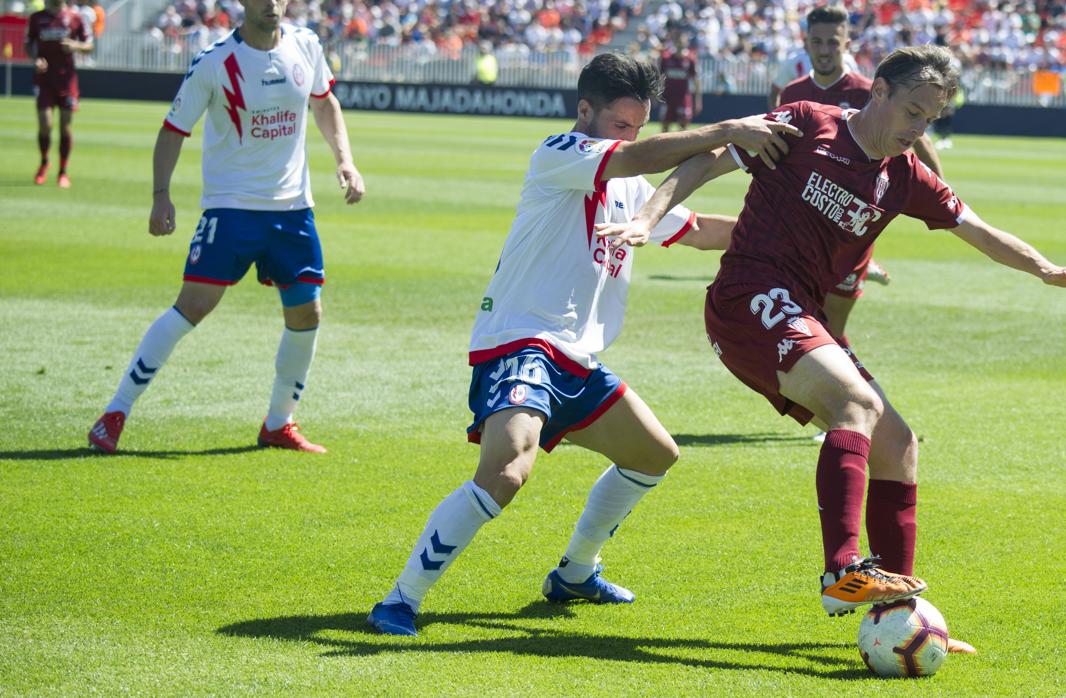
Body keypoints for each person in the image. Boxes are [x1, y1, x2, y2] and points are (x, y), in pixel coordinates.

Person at [597, 44, 1066, 652]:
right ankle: (841, 572)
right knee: (856, 404)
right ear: (879, 91)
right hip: (746, 297)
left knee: (898, 443)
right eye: (912, 112)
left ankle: (898, 612)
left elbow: (978, 230)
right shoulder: (808, 124)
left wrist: (1043, 268)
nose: (918, 130)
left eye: (930, 119)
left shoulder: (903, 176)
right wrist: (647, 219)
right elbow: (706, 162)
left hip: (800, 313)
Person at [366, 52, 799, 637]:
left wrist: (786, 237)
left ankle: (575, 573)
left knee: (653, 455)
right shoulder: (559, 153)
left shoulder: (630, 184)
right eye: (621, 124)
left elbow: (696, 230)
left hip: (575, 357)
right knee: (507, 469)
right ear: (585, 110)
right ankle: (400, 600)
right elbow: (639, 157)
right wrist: (727, 131)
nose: (631, 137)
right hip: (521, 342)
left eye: (638, 126)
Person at [87, 0, 366, 455]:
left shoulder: (306, 45)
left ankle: (278, 423)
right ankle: (114, 413)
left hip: (293, 209)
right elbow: (173, 129)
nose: (271, 4)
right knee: (192, 306)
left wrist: (345, 161)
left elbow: (325, 103)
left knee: (306, 314)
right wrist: (161, 194)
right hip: (231, 208)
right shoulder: (215, 63)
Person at [777, 6, 945, 442]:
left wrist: (940, 189)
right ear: (806, 42)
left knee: (828, 327)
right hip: (804, 233)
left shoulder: (867, 90)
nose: (824, 50)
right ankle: (845, 412)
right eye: (817, 42)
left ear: (846, 43)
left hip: (853, 231)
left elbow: (918, 140)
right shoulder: (793, 92)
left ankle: (849, 414)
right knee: (807, 326)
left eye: (833, 42)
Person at [25, 0, 93, 188]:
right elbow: (28, 43)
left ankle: (63, 171)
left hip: (67, 81)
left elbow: (89, 45)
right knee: (45, 124)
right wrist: (35, 59)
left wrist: (74, 45)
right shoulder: (37, 18)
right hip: (45, 79)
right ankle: (44, 162)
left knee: (65, 126)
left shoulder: (75, 17)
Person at [658, 31, 701, 131]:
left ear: (686, 43)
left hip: (683, 97)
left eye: (683, 42)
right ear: (675, 42)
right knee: (665, 125)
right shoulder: (666, 58)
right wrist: (658, 93)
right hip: (668, 96)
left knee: (684, 125)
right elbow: (660, 77)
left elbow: (697, 81)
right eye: (679, 42)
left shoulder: (690, 59)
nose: (680, 44)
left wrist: (698, 100)